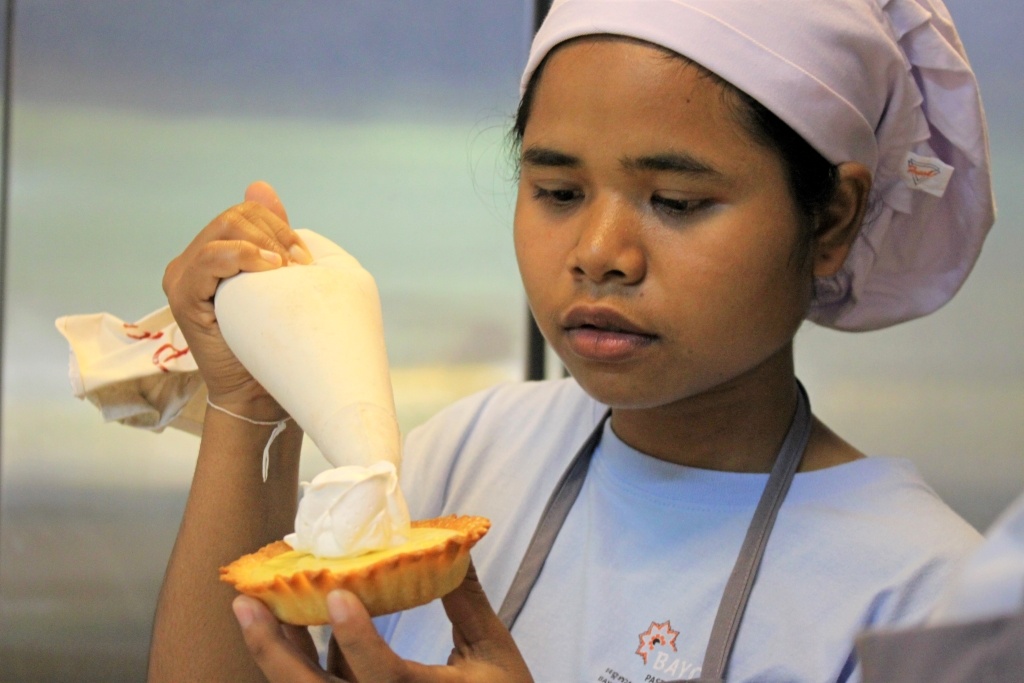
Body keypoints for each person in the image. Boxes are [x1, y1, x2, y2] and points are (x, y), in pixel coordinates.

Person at [147, 0, 996, 681]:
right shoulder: (464, 460)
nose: (599, 254)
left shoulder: (923, 598)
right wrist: (247, 398)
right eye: (557, 190)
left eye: (676, 201)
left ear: (831, 220)